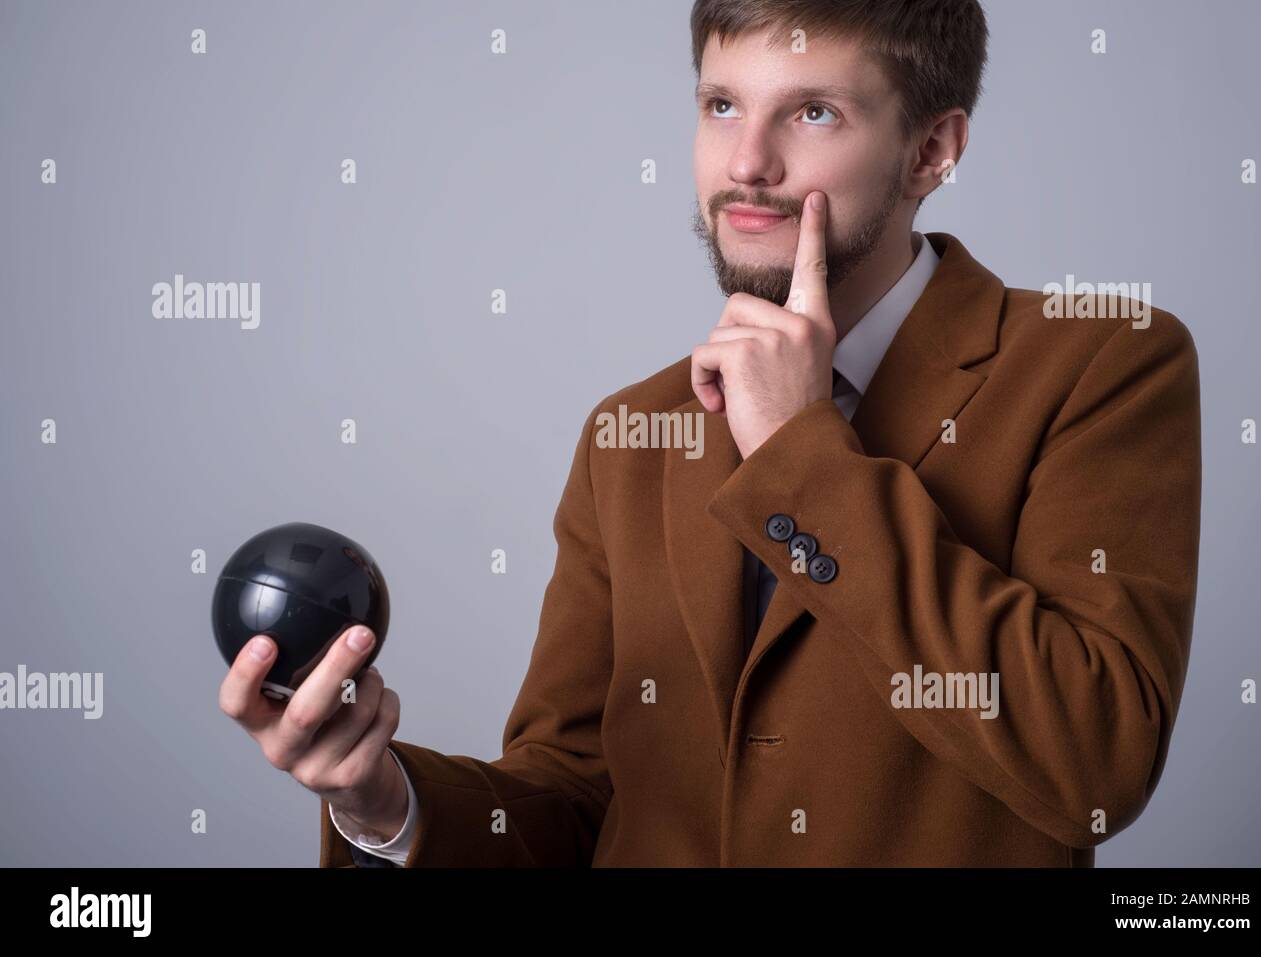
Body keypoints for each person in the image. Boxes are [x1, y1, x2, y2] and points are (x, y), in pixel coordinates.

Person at [219, 0, 1201, 867]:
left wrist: (797, 453)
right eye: (721, 104)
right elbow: (572, 799)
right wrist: (385, 805)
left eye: (812, 112)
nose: (745, 164)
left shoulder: (1100, 363)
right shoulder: (632, 434)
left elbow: (1095, 764)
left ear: (932, 150)